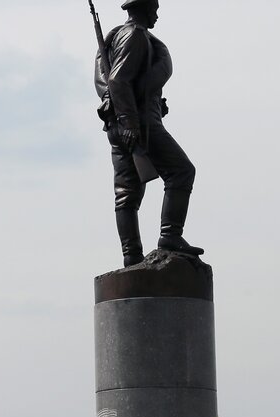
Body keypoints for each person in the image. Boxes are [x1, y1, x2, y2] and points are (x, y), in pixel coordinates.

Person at [94, 0, 202, 267]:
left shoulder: (117, 37)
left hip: (119, 124)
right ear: (143, 8)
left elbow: (117, 82)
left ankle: (131, 258)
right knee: (181, 171)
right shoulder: (135, 35)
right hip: (139, 124)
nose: (157, 13)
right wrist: (131, 122)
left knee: (126, 193)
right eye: (154, 7)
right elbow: (119, 80)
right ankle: (170, 235)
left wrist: (149, 101)